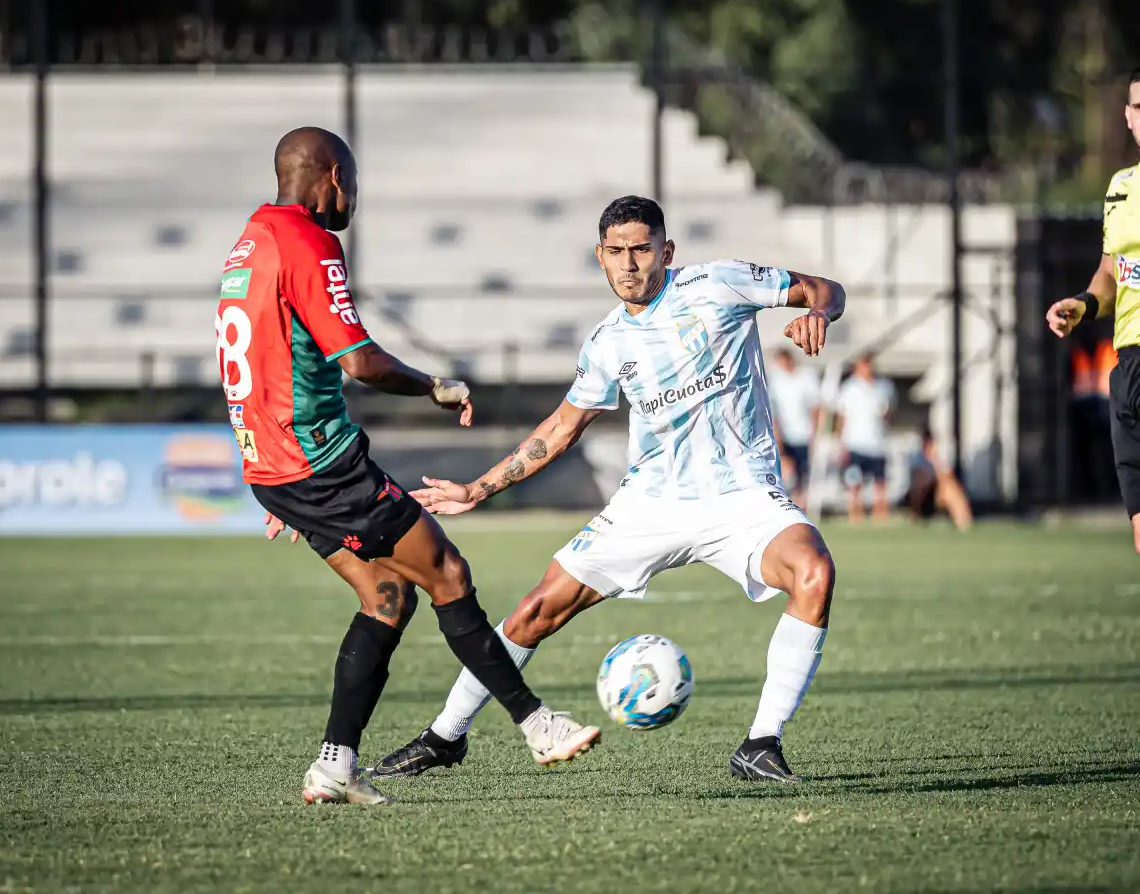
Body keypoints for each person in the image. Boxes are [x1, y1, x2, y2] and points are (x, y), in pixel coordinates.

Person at [373, 195, 845, 783]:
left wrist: (819, 313)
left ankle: (761, 743)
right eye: (616, 252)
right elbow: (561, 429)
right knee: (534, 612)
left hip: (742, 495)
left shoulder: (718, 284)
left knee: (814, 573)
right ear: (600, 257)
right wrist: (477, 489)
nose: (629, 264)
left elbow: (823, 287)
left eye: (642, 249)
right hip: (649, 504)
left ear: (665, 251)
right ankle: (445, 736)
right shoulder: (605, 343)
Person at [217, 127, 599, 806]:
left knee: (386, 600)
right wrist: (432, 386)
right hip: (319, 463)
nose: (353, 201)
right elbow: (359, 361)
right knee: (447, 573)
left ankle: (334, 766)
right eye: (353, 185)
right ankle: (538, 724)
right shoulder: (306, 239)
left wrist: (278, 478)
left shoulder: (247, 246)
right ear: (331, 176)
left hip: (273, 467)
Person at [1047, 67, 1140, 555]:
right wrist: (1081, 306)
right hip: (1127, 367)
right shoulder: (1120, 188)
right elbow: (1110, 274)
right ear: (1127, 116)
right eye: (1139, 107)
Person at [834, 354, 895, 522]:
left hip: (877, 443)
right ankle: (856, 516)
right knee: (854, 482)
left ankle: (880, 516)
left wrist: (885, 415)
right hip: (855, 443)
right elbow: (842, 418)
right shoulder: (849, 388)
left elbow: (889, 414)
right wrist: (840, 443)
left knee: (880, 483)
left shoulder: (884, 387)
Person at [768, 348, 821, 505]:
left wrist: (814, 433)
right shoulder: (775, 379)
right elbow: (774, 411)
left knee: (802, 475)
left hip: (803, 434)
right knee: (784, 473)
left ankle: (800, 505)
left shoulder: (806, 377)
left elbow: (815, 407)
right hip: (783, 435)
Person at [906, 429, 973, 530]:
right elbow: (919, 484)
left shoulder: (937, 459)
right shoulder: (918, 460)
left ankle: (963, 517)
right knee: (946, 486)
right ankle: (961, 519)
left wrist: (935, 459)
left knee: (948, 486)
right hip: (925, 499)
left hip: (937, 494)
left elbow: (946, 475)